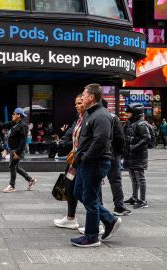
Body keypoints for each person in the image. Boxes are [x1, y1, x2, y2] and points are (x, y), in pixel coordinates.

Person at [71, 83, 121, 248]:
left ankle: (91, 237)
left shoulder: (101, 115)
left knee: (91, 200)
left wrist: (86, 157)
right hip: (85, 163)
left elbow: (101, 140)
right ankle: (109, 219)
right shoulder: (89, 114)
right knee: (79, 192)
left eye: (84, 95)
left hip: (94, 163)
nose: (82, 97)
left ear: (91, 97)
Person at [53, 94, 84, 230]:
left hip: (86, 160)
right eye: (76, 103)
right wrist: (65, 142)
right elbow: (72, 132)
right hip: (74, 159)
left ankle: (104, 220)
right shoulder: (80, 118)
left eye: (80, 103)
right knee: (70, 186)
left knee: (89, 191)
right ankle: (70, 217)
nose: (76, 106)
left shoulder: (92, 117)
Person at [0, 108, 37, 193]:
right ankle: (30, 180)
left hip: (17, 150)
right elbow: (3, 125)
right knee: (15, 167)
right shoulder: (13, 123)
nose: (12, 115)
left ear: (19, 115)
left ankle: (12, 186)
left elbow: (23, 141)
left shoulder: (23, 126)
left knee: (12, 166)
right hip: (13, 150)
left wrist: (18, 152)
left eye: (14, 114)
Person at [101, 99, 131, 216]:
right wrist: (120, 153)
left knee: (97, 181)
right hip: (113, 154)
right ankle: (119, 206)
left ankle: (100, 206)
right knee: (115, 180)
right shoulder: (113, 117)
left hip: (100, 153)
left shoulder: (92, 116)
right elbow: (120, 137)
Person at [123, 103, 151, 209]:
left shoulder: (141, 124)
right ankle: (134, 198)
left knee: (140, 178)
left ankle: (142, 200)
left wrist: (133, 147)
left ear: (135, 113)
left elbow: (146, 138)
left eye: (129, 112)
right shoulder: (131, 123)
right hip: (132, 155)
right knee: (133, 177)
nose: (127, 114)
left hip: (138, 156)